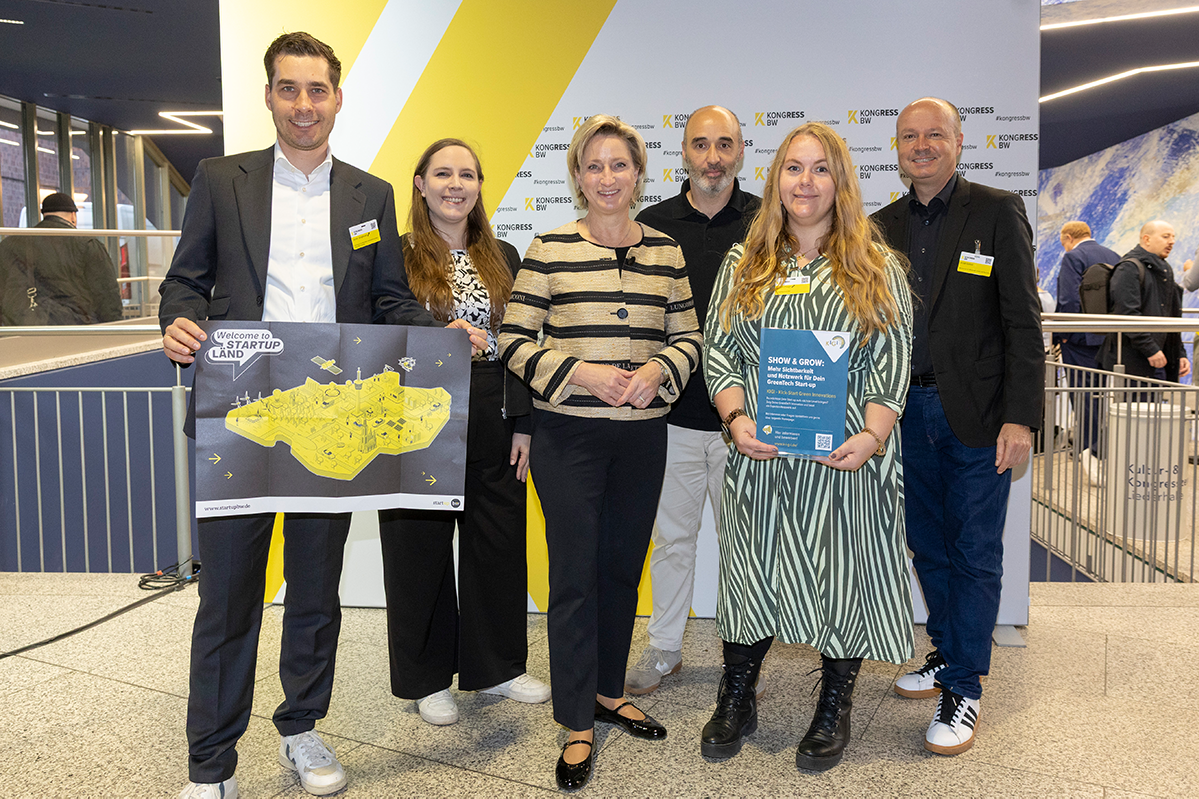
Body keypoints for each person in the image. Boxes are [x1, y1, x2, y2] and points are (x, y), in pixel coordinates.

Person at [159, 32, 482, 799]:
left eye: (317, 89)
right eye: (288, 88)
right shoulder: (218, 178)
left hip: (327, 426)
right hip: (238, 417)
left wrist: (438, 337)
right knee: (227, 601)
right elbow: (185, 281)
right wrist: (175, 321)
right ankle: (212, 764)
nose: (304, 104)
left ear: (337, 97)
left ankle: (301, 728)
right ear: (269, 95)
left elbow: (386, 300)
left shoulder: (369, 196)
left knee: (313, 594)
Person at [497, 114, 702, 791]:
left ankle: (607, 689)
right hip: (568, 436)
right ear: (578, 177)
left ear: (638, 175)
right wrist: (581, 373)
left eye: (619, 165)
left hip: (643, 434)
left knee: (621, 567)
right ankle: (575, 717)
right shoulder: (549, 248)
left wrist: (656, 372)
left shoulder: (667, 252)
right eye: (594, 166)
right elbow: (514, 340)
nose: (607, 178)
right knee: (575, 575)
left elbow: (689, 338)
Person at [702, 122, 914, 772]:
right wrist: (735, 418)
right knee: (751, 572)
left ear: (840, 182)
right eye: (793, 168)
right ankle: (736, 694)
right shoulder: (743, 266)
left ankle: (835, 705)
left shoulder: (876, 268)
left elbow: (892, 361)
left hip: (844, 459)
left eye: (820, 169)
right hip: (761, 456)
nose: (805, 182)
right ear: (775, 182)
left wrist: (871, 436)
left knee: (840, 575)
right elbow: (720, 353)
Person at [873, 97, 1044, 756]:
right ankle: (947, 652)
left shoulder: (996, 210)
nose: (921, 144)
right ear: (897, 146)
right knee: (928, 545)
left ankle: (965, 684)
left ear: (958, 139)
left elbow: (1023, 323)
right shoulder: (879, 225)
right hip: (902, 412)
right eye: (910, 135)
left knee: (973, 551)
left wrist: (1019, 417)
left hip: (977, 416)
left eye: (933, 134)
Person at [377, 138, 550, 727]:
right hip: (414, 415)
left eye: (468, 175)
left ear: (479, 187)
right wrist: (437, 334)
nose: (457, 184)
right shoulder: (393, 256)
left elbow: (526, 344)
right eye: (443, 173)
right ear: (420, 184)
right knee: (417, 550)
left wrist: (525, 421)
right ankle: (427, 679)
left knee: (496, 546)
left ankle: (497, 667)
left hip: (494, 411)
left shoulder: (502, 252)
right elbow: (376, 332)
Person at [624, 105, 761, 695]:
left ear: (740, 152)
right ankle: (664, 650)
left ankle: (743, 660)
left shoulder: (767, 222)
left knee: (747, 548)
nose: (712, 157)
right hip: (671, 418)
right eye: (701, 145)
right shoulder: (650, 224)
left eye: (724, 144)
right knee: (672, 540)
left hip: (750, 421)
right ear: (682, 152)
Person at [1055, 221, 1119, 483]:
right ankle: (1099, 448)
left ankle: (1089, 451)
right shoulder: (1114, 256)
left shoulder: (1073, 256)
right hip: (1108, 339)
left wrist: (1063, 335)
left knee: (1082, 395)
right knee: (1101, 395)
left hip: (1080, 340)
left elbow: (1068, 299)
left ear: (1069, 238)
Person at [0, 192, 121, 325]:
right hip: (74, 329)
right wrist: (114, 328)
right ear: (73, 216)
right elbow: (106, 293)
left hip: (22, 329)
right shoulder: (87, 244)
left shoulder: (10, 245)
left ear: (44, 214)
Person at [1099, 220, 1191, 384]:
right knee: (1133, 408)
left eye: (1173, 237)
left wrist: (1180, 353)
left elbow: (1170, 316)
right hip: (1133, 361)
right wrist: (1151, 349)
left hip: (1158, 360)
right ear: (1147, 239)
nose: (1172, 241)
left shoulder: (1163, 270)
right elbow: (1126, 314)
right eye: (1165, 236)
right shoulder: (1129, 268)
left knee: (1154, 408)